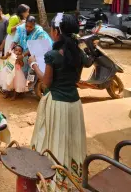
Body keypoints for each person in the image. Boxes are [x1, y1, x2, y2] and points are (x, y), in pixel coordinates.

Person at [29, 14, 93, 191]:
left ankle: (53, 182)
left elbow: (47, 83)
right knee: (71, 140)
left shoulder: (52, 55)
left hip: (56, 104)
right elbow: (77, 77)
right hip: (74, 104)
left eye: (52, 28)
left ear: (57, 31)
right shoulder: (78, 53)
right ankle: (71, 180)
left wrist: (34, 64)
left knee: (53, 140)